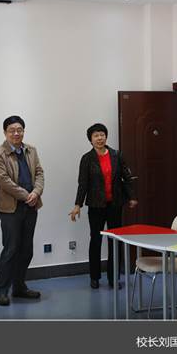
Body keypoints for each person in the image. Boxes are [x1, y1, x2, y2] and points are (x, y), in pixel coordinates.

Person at [69, 123, 137, 289]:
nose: (99, 138)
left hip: (115, 204)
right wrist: (77, 205)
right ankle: (95, 277)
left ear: (106, 136)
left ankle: (114, 277)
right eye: (96, 136)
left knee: (115, 241)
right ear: (90, 140)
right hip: (95, 205)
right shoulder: (87, 158)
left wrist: (131, 197)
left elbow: (126, 177)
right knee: (96, 240)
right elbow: (83, 184)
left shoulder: (117, 155)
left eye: (102, 135)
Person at [0, 116, 44, 306]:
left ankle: (19, 287)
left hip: (31, 206)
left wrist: (36, 192)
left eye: (19, 129)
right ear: (5, 132)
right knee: (11, 249)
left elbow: (39, 173)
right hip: (10, 208)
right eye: (12, 130)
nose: (16, 133)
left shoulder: (31, 150)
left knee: (27, 250)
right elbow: (3, 180)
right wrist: (26, 195)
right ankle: (2, 291)